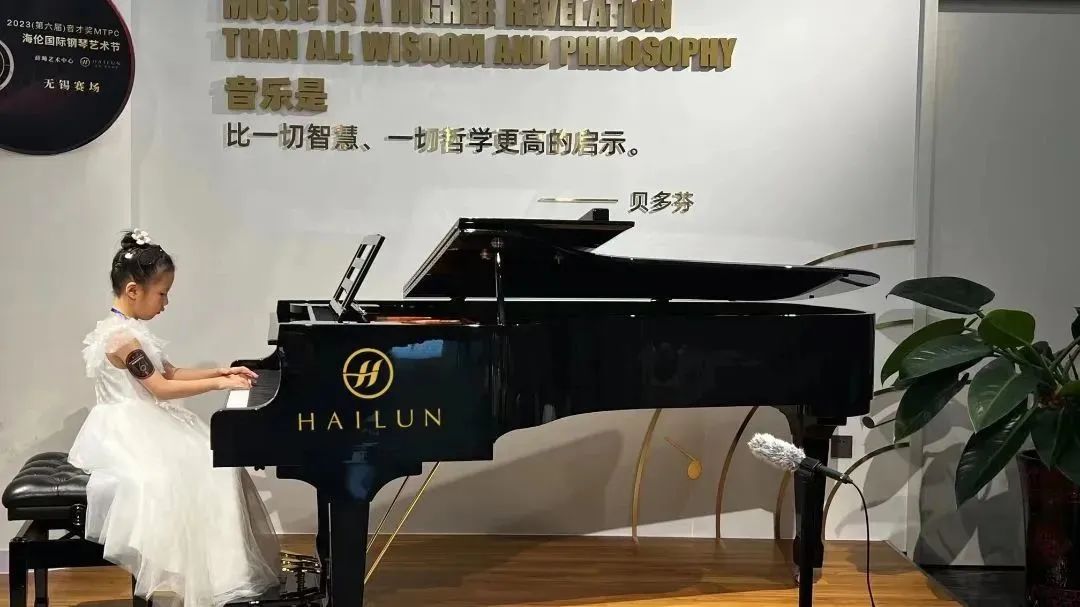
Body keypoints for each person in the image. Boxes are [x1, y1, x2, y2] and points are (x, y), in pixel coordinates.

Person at [68, 229, 281, 607]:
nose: (166, 303)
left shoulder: (130, 331)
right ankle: (220, 579)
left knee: (218, 464)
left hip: (143, 421)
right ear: (133, 290)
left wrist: (222, 370)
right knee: (210, 469)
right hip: (127, 432)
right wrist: (219, 384)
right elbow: (161, 389)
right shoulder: (121, 340)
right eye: (162, 293)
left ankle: (224, 574)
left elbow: (170, 372)